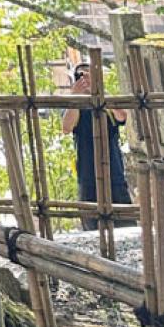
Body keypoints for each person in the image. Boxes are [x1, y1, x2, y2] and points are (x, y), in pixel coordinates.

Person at [62, 60, 131, 231]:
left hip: (114, 172)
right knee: (92, 228)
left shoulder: (106, 103)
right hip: (88, 175)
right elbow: (66, 127)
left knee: (126, 225)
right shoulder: (75, 106)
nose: (84, 79)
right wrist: (75, 96)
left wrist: (100, 90)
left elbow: (122, 116)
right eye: (81, 76)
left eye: (88, 75)